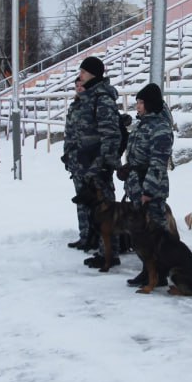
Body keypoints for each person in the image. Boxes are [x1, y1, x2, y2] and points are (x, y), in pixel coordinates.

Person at [121, 83, 174, 288]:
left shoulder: (160, 128)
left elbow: (158, 163)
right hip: (137, 185)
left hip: (151, 188)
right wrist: (128, 169)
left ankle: (159, 272)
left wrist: (149, 191)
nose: (138, 106)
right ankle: (148, 270)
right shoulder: (143, 124)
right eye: (137, 102)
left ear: (150, 104)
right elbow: (137, 155)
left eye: (141, 102)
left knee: (156, 231)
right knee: (143, 233)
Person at [73, 56, 123, 269]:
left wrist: (103, 164)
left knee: (106, 210)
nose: (80, 76)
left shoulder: (102, 98)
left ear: (93, 74)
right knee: (97, 211)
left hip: (99, 164)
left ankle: (109, 254)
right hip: (88, 162)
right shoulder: (90, 97)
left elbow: (111, 135)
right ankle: (103, 250)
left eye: (83, 72)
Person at [62, 77, 97, 251]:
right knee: (80, 200)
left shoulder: (93, 105)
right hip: (76, 160)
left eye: (82, 85)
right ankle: (84, 235)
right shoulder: (74, 106)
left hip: (90, 161)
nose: (79, 88)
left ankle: (95, 238)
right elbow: (68, 133)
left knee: (94, 201)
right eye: (76, 86)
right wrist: (67, 154)